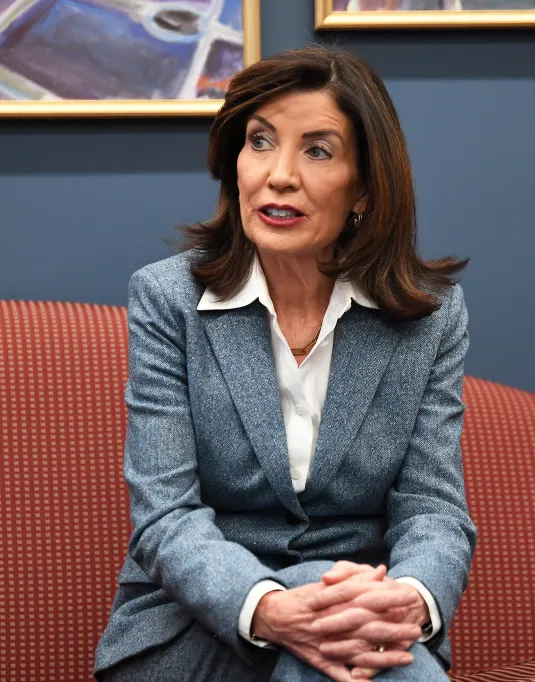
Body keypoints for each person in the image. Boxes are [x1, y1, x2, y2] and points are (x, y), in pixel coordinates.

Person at [94, 46, 477, 682]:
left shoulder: (428, 316)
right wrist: (277, 607)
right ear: (233, 163)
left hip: (364, 621)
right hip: (200, 627)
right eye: (261, 142)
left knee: (341, 652)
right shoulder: (168, 300)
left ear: (364, 187)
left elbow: (433, 510)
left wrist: (407, 599)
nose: (278, 175)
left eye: (317, 150)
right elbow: (165, 518)